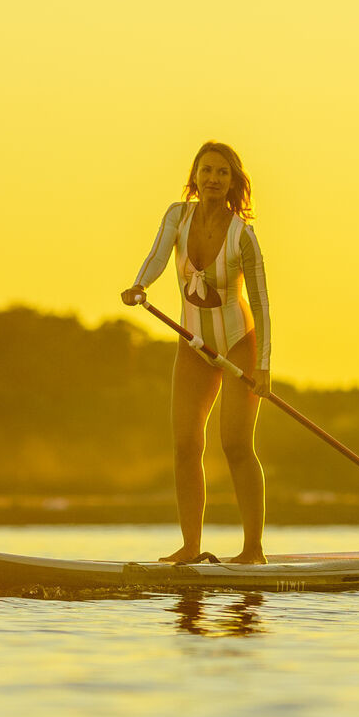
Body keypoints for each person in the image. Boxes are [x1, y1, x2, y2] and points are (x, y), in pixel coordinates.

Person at [122, 141, 272, 565]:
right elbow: (155, 257)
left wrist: (263, 367)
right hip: (192, 344)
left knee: (236, 445)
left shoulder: (244, 237)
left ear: (232, 182)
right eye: (206, 170)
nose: (212, 179)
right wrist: (139, 285)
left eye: (222, 173)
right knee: (185, 445)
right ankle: (190, 548)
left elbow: (261, 303)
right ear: (195, 176)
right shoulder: (178, 216)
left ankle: (253, 552)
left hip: (239, 343)